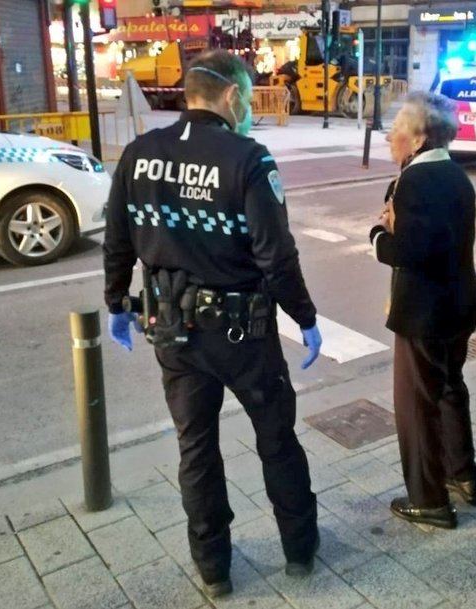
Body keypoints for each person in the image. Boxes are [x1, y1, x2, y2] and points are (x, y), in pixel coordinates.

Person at [103, 50, 322, 598]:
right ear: (232, 96)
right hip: (242, 333)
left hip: (175, 333)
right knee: (276, 439)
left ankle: (214, 569)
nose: (248, 106)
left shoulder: (138, 154)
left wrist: (115, 304)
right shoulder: (248, 159)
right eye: (247, 95)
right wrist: (306, 318)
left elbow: (117, 241)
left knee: (196, 448)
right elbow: (276, 255)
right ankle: (299, 552)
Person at [369, 92, 476, 529]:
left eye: (396, 128)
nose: (388, 137)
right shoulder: (456, 175)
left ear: (418, 135)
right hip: (460, 307)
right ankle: (463, 476)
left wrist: (377, 235)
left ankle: (429, 500)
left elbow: (407, 250)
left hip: (424, 314)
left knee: (417, 405)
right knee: (451, 387)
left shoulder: (416, 181)